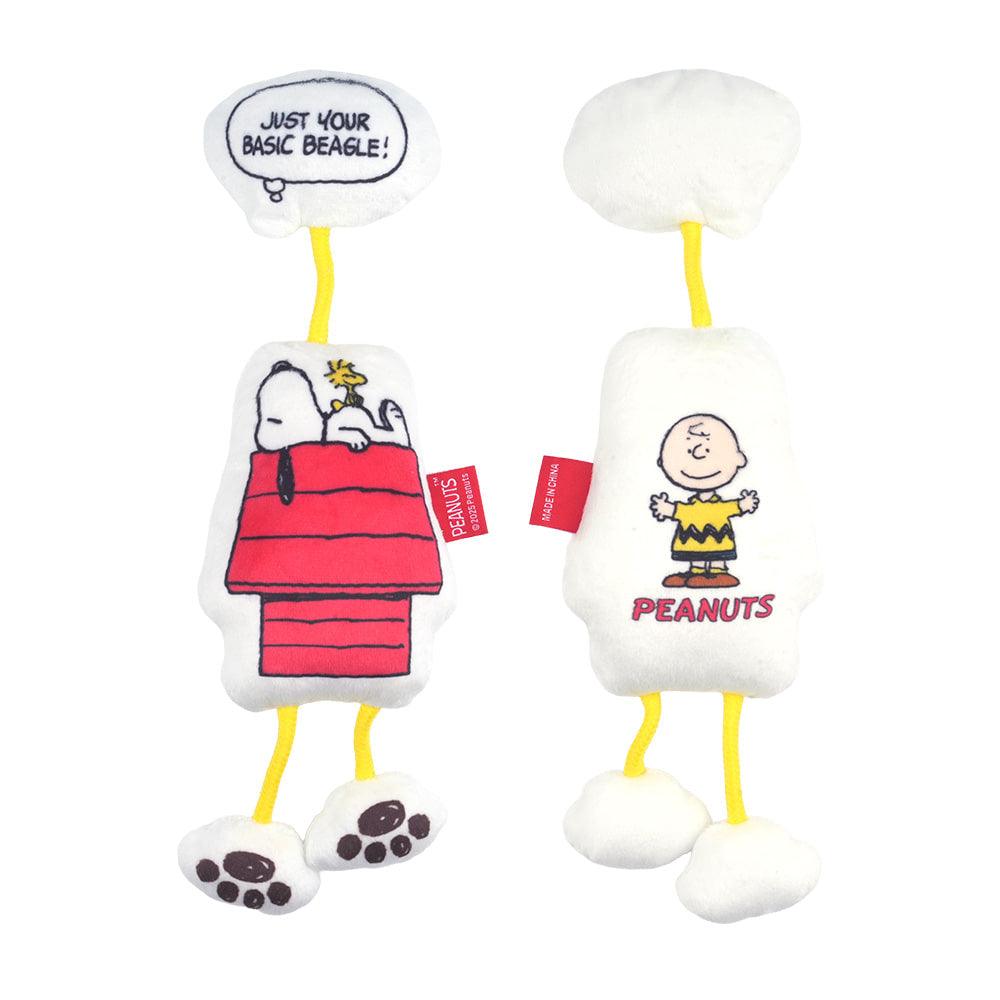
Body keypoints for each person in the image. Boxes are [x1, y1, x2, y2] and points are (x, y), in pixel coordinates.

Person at [649, 413, 759, 588]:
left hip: (718, 537)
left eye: (708, 450)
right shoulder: (692, 507)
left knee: (717, 556)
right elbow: (681, 511)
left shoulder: (718, 507)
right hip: (692, 536)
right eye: (689, 451)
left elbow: (730, 508)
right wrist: (666, 509)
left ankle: (719, 572)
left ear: (738, 459)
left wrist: (744, 504)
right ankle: (696, 572)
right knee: (696, 557)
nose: (699, 454)